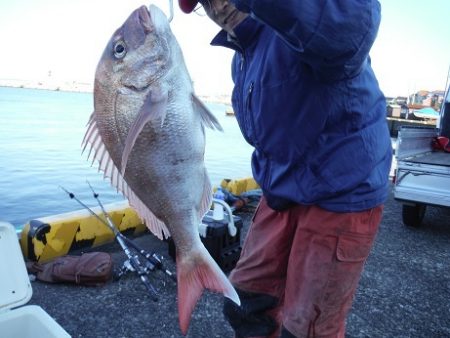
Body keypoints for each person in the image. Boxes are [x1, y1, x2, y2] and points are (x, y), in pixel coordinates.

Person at [178, 1, 392, 337]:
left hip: (343, 189)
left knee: (308, 327)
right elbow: (272, 134)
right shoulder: (243, 56)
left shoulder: (297, 26)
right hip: (284, 188)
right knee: (245, 302)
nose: (217, 4)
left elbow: (351, 26)